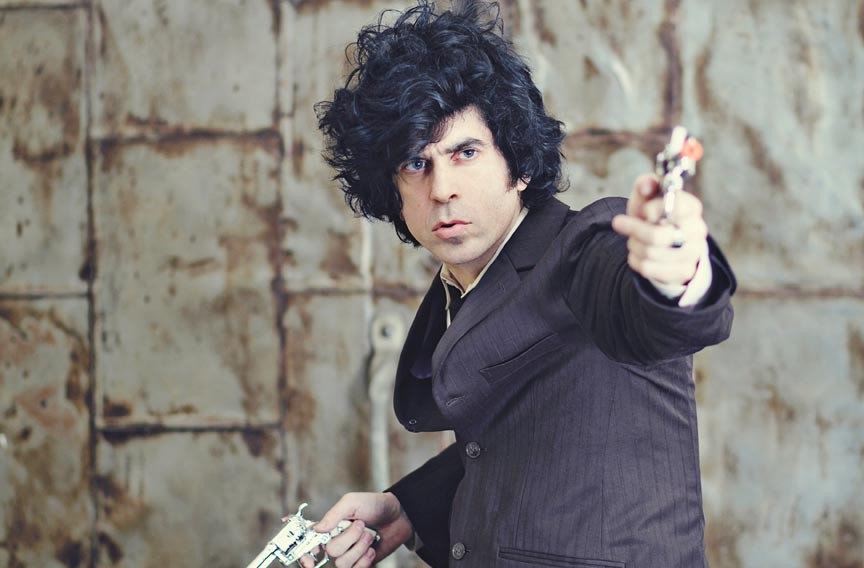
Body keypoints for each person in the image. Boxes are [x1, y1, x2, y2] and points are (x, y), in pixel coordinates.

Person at [305, 1, 736, 566]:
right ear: (393, 189)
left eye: (465, 152)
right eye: (416, 163)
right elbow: (509, 438)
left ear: (520, 165)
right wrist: (407, 507)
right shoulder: (460, 285)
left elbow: (650, 309)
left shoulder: (587, 245)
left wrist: (677, 271)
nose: (441, 189)